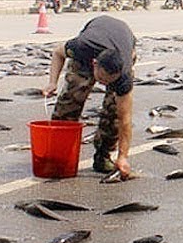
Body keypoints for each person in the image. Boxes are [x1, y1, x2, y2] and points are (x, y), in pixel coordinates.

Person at [43, 15, 136, 178]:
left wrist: (123, 156)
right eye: (101, 79)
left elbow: (125, 119)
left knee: (114, 110)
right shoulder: (82, 47)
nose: (103, 84)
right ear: (95, 65)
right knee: (71, 99)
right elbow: (58, 52)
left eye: (109, 82)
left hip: (125, 42)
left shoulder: (123, 75)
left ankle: (103, 155)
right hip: (93, 42)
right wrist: (52, 83)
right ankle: (59, 156)